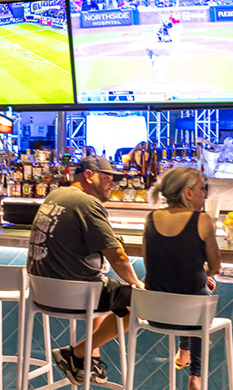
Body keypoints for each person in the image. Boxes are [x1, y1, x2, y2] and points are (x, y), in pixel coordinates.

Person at [28, 155, 144, 386]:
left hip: (41, 293)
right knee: (141, 302)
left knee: (100, 281)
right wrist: (137, 284)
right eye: (108, 177)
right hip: (76, 296)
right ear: (89, 176)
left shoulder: (55, 196)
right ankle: (78, 353)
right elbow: (118, 257)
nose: (113, 184)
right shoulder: (88, 204)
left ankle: (89, 358)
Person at [143, 167, 220, 390]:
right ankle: (196, 375)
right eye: (202, 189)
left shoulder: (150, 218)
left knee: (193, 293)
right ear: (188, 192)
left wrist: (196, 275)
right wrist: (202, 274)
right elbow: (215, 267)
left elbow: (151, 266)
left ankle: (184, 351)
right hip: (190, 314)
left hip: (155, 314)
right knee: (200, 296)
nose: (204, 194)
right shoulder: (202, 220)